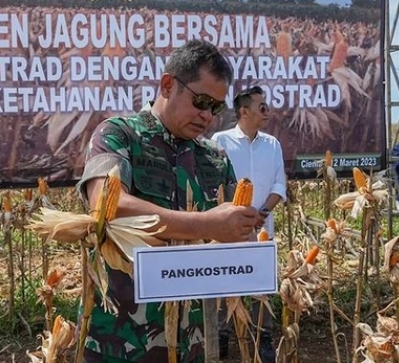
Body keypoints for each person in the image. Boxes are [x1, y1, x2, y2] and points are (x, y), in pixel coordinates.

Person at [75, 39, 261, 363]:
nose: (206, 116)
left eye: (215, 108)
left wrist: (244, 233)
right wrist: (207, 224)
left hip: (192, 341)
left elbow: (233, 229)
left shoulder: (215, 159)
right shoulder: (118, 136)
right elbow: (106, 204)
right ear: (167, 85)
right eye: (200, 101)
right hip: (121, 341)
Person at [211, 86, 286, 363]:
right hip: (228, 227)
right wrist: (235, 213)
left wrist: (263, 210)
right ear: (244, 111)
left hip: (263, 227)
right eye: (262, 107)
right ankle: (221, 336)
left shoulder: (272, 144)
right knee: (224, 280)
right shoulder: (220, 141)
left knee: (261, 284)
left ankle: (263, 337)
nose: (267, 111)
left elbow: (279, 183)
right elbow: (215, 184)